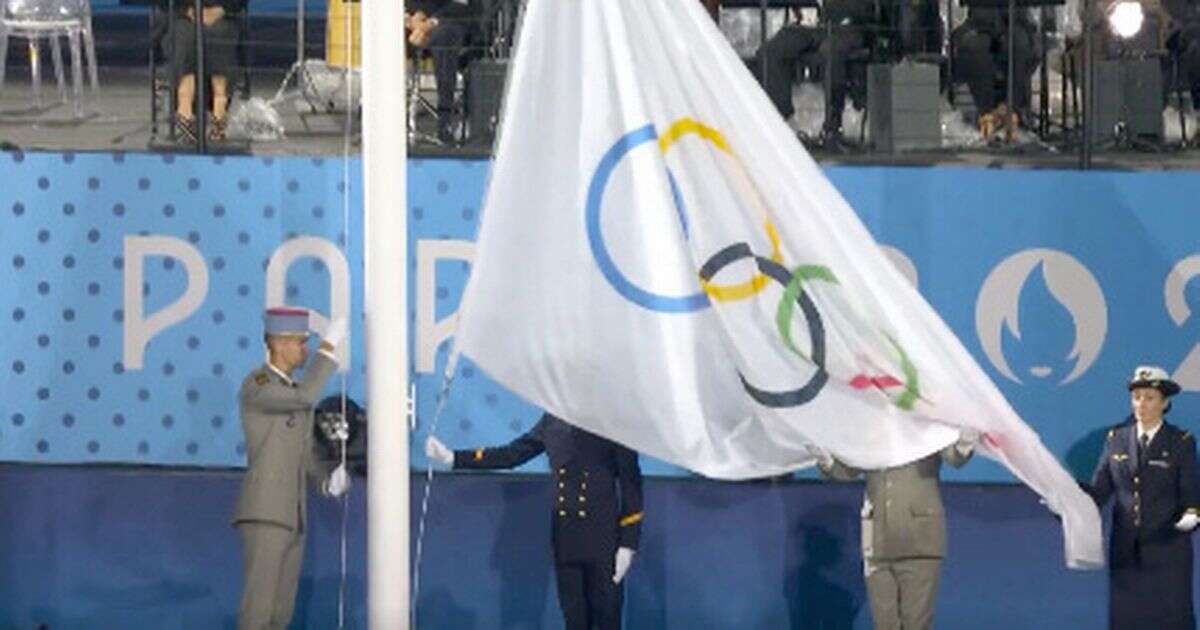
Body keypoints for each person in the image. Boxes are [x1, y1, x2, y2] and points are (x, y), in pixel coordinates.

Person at [426, 413, 644, 630]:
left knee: (608, 618)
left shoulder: (611, 421)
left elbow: (631, 484)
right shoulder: (553, 419)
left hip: (603, 541)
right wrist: (453, 458)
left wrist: (628, 543)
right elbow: (512, 455)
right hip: (565, 537)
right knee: (574, 620)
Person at [232, 308, 350, 630]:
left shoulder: (290, 393)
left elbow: (304, 453)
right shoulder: (258, 385)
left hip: (292, 514)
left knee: (280, 614)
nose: (305, 349)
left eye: (308, 343)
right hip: (265, 512)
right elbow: (308, 395)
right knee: (258, 611)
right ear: (278, 343)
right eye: (300, 342)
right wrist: (328, 350)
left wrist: (326, 483)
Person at [815, 430, 977, 630]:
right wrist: (827, 462)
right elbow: (849, 470)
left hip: (918, 540)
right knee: (884, 624)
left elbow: (953, 457)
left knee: (916, 623)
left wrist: (964, 445)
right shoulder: (869, 426)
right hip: (877, 541)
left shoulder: (925, 421)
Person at [1085, 365, 1198, 629]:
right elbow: (1099, 491)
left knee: (1170, 617)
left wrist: (1192, 514)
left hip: (1168, 548)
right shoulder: (1116, 439)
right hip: (1125, 550)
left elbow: (1191, 492)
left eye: (1149, 398)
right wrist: (1066, 502)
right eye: (1137, 397)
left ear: (1165, 403)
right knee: (1127, 618)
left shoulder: (1181, 442)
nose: (1141, 404)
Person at [749, 0, 876, 146]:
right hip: (818, 25)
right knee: (771, 51)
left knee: (830, 51)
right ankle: (781, 119)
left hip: (852, 26)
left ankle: (833, 126)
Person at [951, 4, 1040, 139]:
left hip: (1018, 23)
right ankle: (987, 113)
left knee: (1020, 45)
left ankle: (1011, 110)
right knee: (974, 46)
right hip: (978, 24)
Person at [168, 0, 242, 142]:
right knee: (185, 38)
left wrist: (221, 10)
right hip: (184, 15)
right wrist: (188, 11)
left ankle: (219, 117)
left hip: (223, 14)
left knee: (221, 35)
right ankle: (185, 113)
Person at [406, 0, 478, 144]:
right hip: (416, 19)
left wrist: (428, 24)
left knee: (444, 36)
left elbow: (462, 5)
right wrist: (412, 19)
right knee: (384, 30)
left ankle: (445, 121)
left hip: (454, 18)